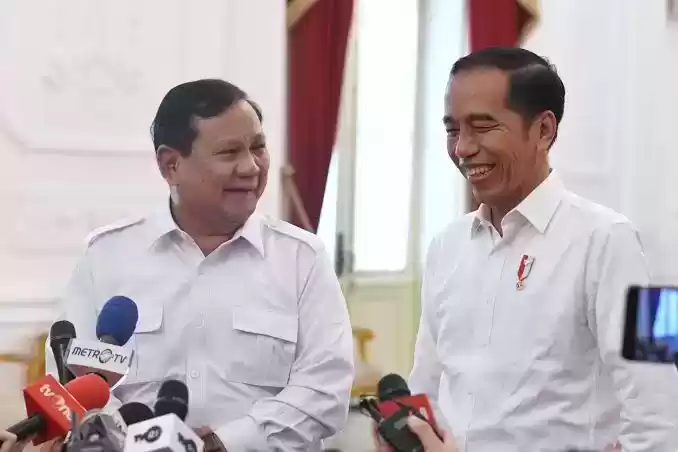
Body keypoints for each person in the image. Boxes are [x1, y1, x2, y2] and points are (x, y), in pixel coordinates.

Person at [45, 79, 354, 451]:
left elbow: (325, 391)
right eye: (229, 152)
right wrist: (140, 444)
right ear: (171, 164)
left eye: (258, 148)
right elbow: (70, 384)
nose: (250, 167)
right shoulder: (107, 256)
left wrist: (225, 443)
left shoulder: (302, 258)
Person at [409, 47, 678, 451]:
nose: (462, 148)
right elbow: (426, 386)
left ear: (543, 130)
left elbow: (660, 412)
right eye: (452, 130)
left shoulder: (613, 240)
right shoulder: (445, 246)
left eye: (482, 127)